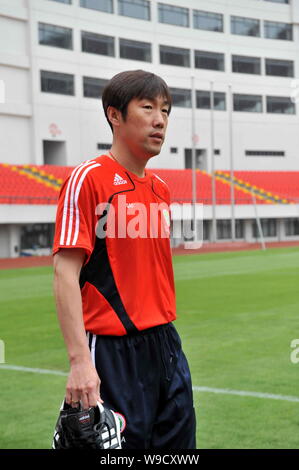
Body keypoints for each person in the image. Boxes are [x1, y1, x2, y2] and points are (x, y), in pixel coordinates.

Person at [52, 69, 196, 449]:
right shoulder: (89, 180)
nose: (160, 119)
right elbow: (64, 274)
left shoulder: (162, 189)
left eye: (165, 110)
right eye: (147, 107)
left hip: (167, 345)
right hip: (113, 351)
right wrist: (80, 362)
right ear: (115, 115)